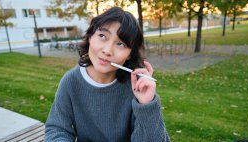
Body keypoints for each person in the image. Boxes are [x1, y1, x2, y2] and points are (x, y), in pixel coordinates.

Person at [45, 7, 170, 142]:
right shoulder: (70, 82)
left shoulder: (138, 88)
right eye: (102, 36)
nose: (107, 50)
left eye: (121, 44)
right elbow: (57, 129)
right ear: (90, 36)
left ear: (129, 54)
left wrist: (146, 105)